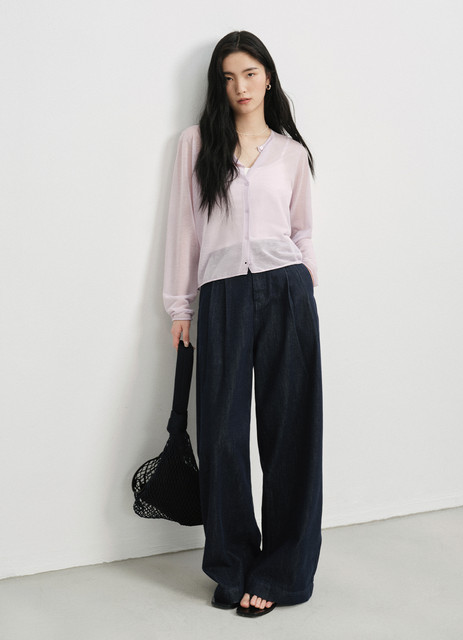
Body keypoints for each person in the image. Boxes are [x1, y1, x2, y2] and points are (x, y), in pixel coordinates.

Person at [163, 30, 323, 618]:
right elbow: (185, 228)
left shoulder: (291, 153)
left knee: (292, 435)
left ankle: (282, 571)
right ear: (219, 85)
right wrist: (180, 307)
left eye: (250, 73)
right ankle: (231, 565)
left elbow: (303, 231)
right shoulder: (196, 143)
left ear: (268, 77)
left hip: (287, 291)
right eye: (229, 77)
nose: (241, 86)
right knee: (223, 438)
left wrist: (304, 284)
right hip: (223, 295)